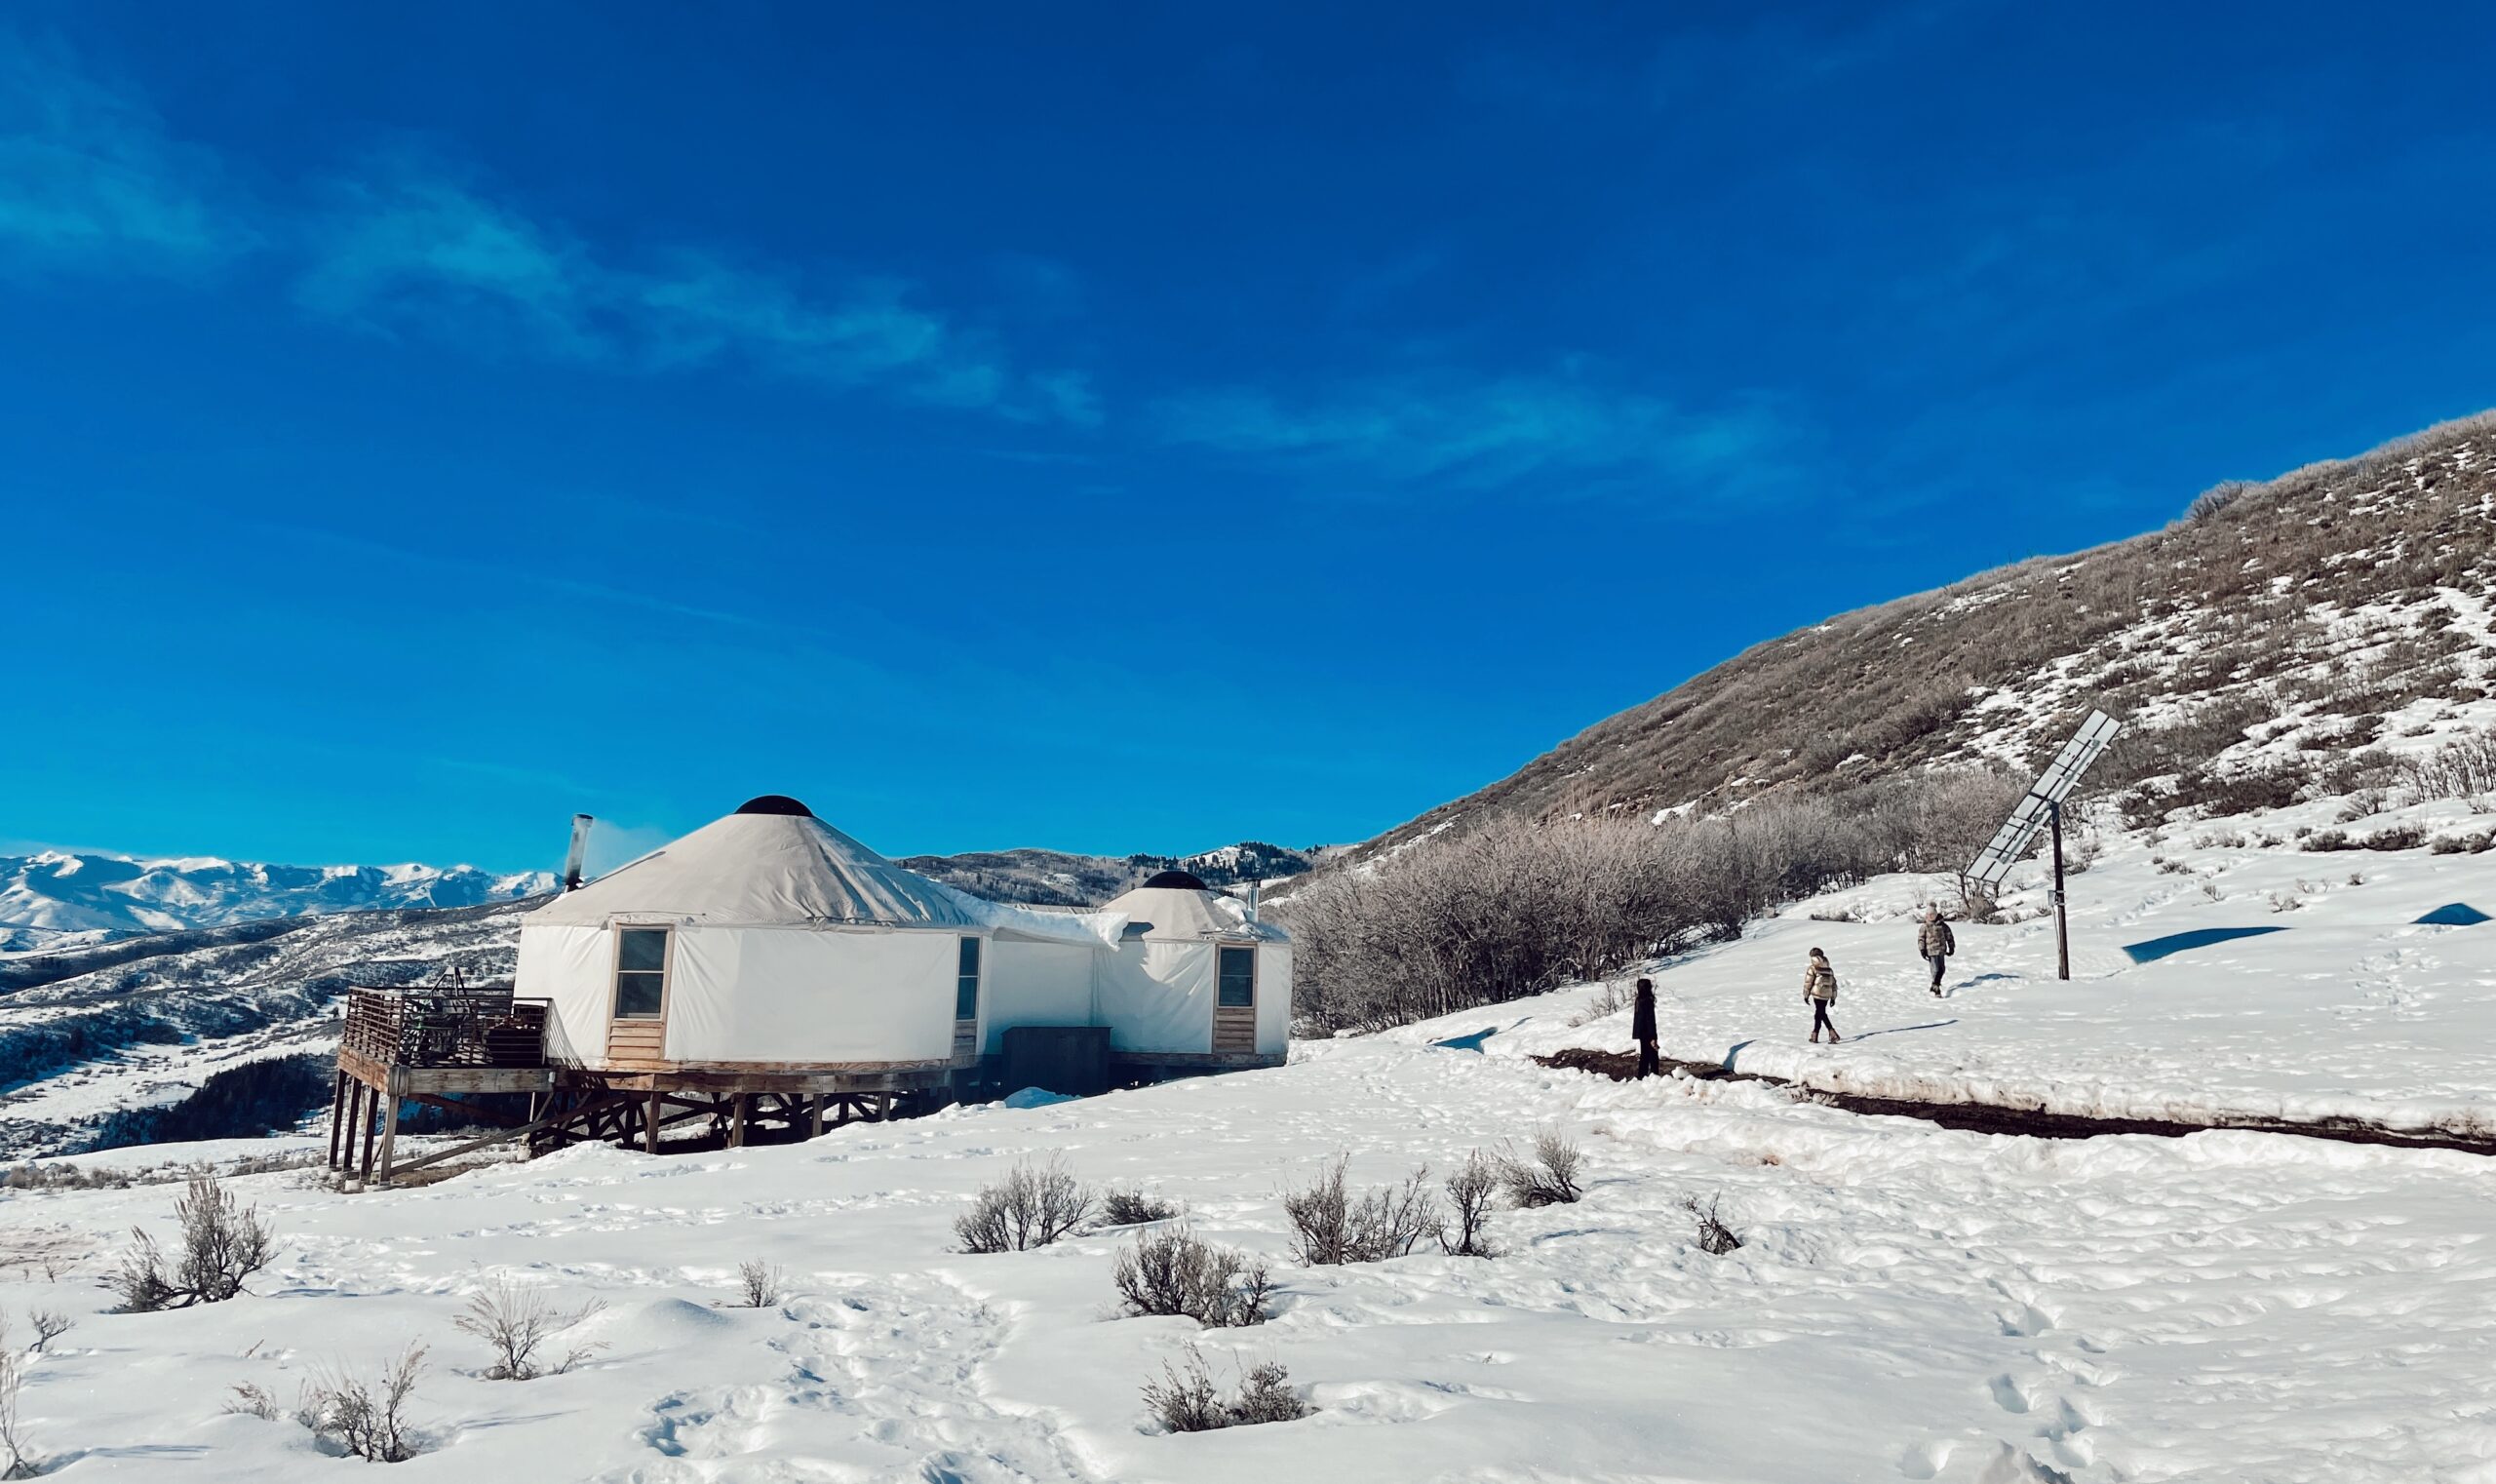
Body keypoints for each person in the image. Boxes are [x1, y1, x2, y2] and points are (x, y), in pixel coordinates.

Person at [1803, 948, 1841, 1043]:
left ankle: (1833, 1033)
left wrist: (1806, 995)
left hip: (1817, 993)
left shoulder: (1812, 968)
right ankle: (1815, 1035)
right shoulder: (1829, 969)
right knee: (1818, 1013)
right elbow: (1833, 984)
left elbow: (1808, 982)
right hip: (1827, 995)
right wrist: (1833, 997)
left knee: (1822, 1014)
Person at [1918, 906, 1957, 996]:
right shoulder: (1924, 926)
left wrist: (1951, 947)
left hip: (1941, 950)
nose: (1930, 916)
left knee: (1942, 969)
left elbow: (1949, 936)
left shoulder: (1942, 925)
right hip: (1931, 951)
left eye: (1932, 914)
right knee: (1935, 969)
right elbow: (1921, 939)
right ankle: (1936, 988)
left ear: (1936, 914)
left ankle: (1934, 984)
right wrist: (1922, 949)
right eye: (1928, 915)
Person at [1631, 977, 1659, 1078]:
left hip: (1641, 1032)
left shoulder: (1639, 1000)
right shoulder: (1647, 1001)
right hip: (1648, 1032)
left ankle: (1642, 1076)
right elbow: (1650, 1020)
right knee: (1653, 1055)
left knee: (1644, 1055)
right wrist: (1653, 1037)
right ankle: (1654, 1076)